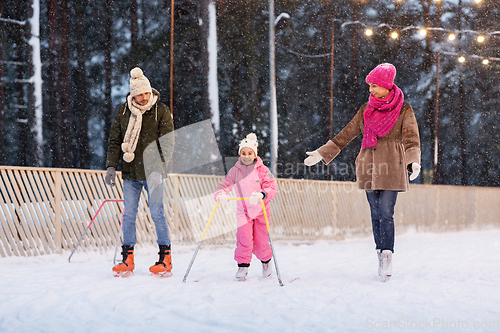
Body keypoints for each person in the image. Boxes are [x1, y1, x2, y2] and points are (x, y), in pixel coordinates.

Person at [304, 63, 421, 281]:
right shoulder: (365, 110)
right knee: (375, 214)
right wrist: (322, 153)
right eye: (370, 86)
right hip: (368, 165)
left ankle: (387, 254)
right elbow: (345, 135)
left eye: (375, 86)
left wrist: (413, 162)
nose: (371, 90)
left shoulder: (404, 109)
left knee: (386, 212)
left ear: (387, 85)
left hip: (393, 166)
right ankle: (380, 251)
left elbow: (412, 139)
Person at [105, 67, 174, 277]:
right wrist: (111, 166)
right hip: (130, 172)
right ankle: (127, 258)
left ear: (150, 91)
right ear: (132, 94)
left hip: (153, 173)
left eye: (146, 93)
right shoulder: (123, 111)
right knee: (129, 215)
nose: (143, 98)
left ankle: (165, 257)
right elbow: (115, 141)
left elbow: (168, 143)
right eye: (139, 94)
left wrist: (159, 170)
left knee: (157, 214)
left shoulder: (160, 110)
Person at [214, 133, 278, 281]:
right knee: (244, 239)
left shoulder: (262, 171)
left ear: (255, 154)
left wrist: (262, 194)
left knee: (261, 241)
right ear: (239, 154)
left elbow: (272, 187)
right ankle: (243, 265)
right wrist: (220, 194)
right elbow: (225, 184)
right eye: (243, 153)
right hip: (243, 212)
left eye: (250, 153)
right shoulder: (236, 171)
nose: (246, 156)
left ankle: (266, 262)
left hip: (261, 211)